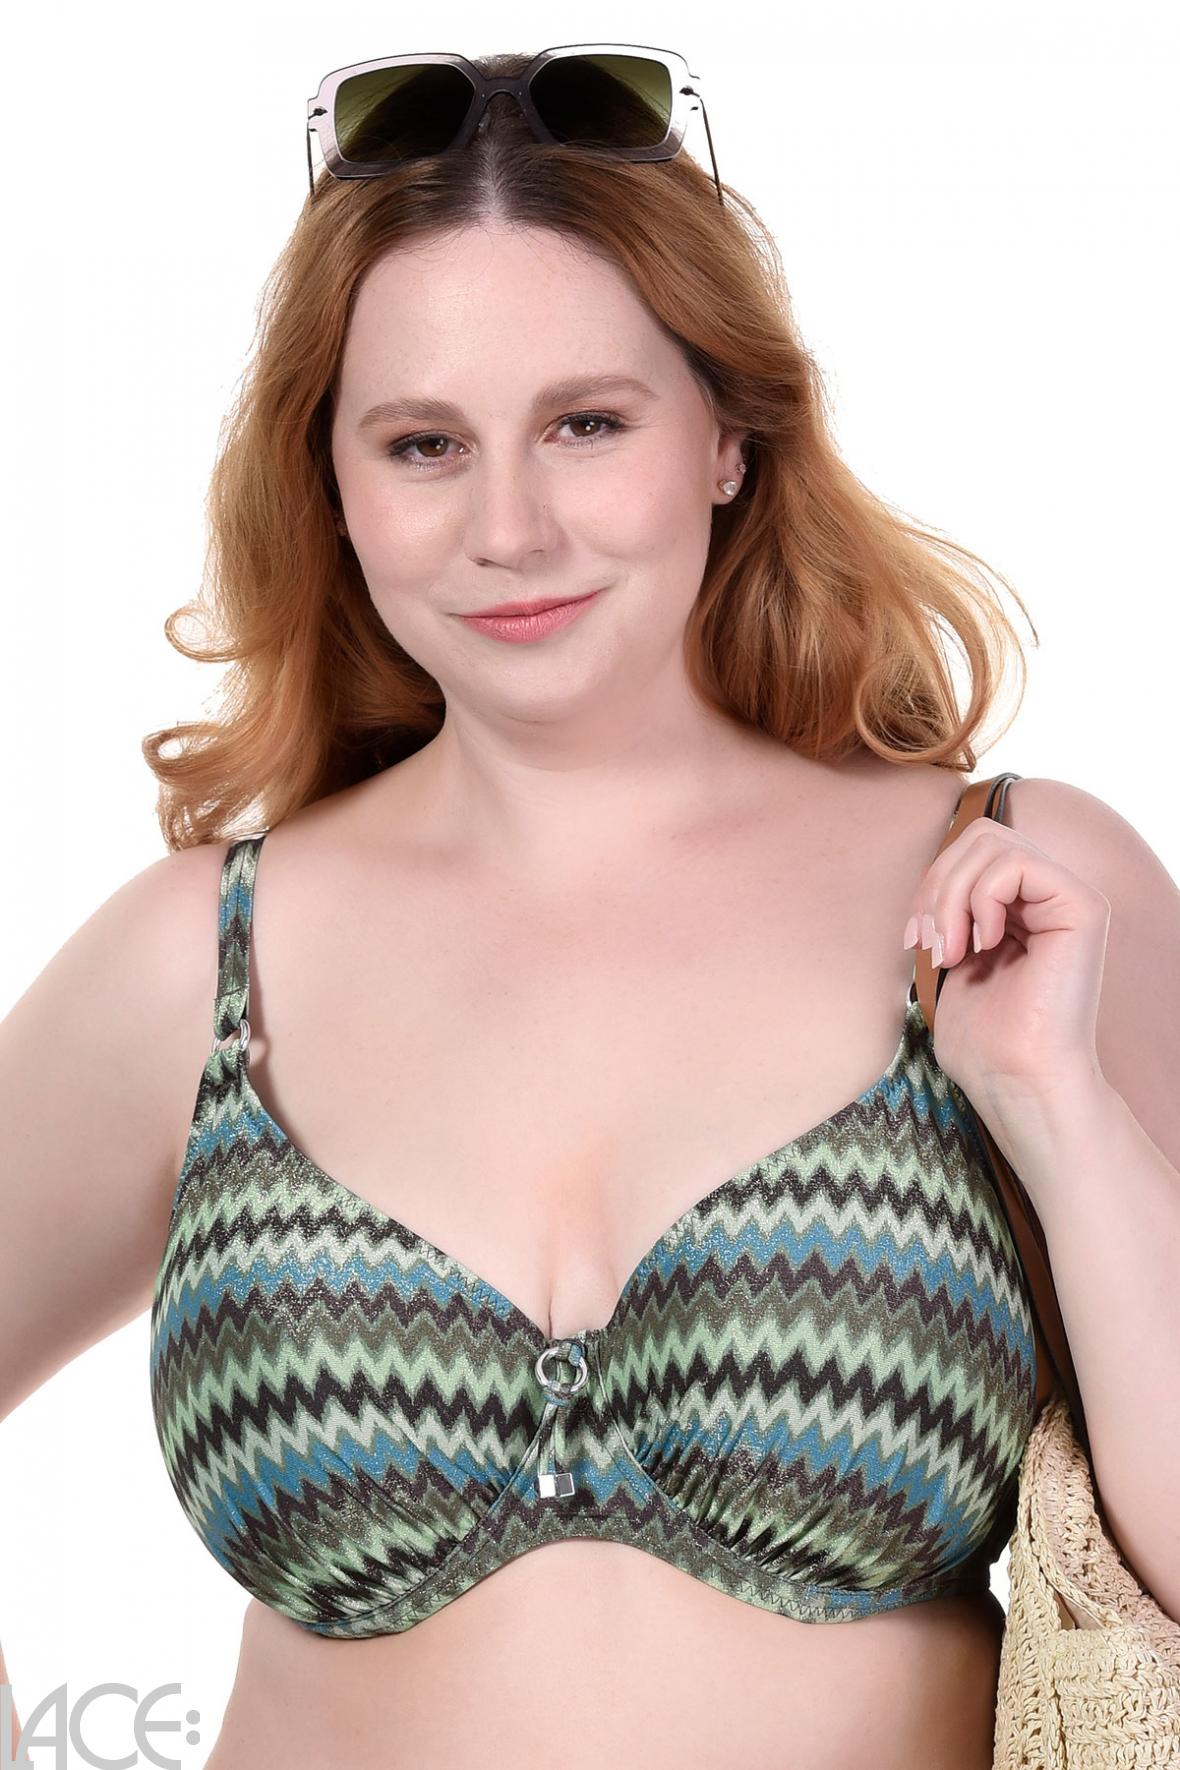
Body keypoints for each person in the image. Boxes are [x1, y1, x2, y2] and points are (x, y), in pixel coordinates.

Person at [5, 43, 1178, 1770]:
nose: (510, 526)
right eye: (424, 443)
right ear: (335, 484)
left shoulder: (1014, 892)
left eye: (586, 425)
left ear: (728, 436)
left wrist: (1062, 1116)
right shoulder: (199, 956)